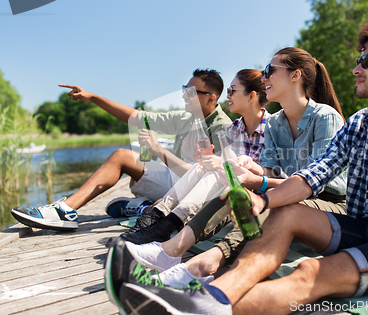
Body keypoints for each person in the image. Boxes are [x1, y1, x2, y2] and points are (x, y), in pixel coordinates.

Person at [110, 19, 368, 315]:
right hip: (365, 225)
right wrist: (264, 200)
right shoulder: (361, 125)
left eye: (367, 60)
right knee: (284, 214)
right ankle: (211, 292)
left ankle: (202, 305)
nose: (356, 68)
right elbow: (312, 177)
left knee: (309, 275)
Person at [107, 46, 348, 298]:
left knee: (273, 203)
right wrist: (250, 166)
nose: (264, 77)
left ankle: (201, 262)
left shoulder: (325, 117)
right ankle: (170, 251)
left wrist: (262, 181)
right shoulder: (277, 122)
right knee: (237, 189)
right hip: (289, 193)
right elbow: (271, 168)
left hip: (327, 202)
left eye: (270, 71)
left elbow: (328, 185)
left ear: (295, 76)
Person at [11, 69, 232, 231]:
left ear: (211, 98)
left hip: (193, 193)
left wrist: (160, 151)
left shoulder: (222, 127)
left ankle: (143, 206)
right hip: (172, 180)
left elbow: (208, 182)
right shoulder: (184, 117)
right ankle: (65, 210)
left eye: (191, 92)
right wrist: (94, 98)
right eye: (185, 89)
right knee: (121, 156)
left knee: (158, 212)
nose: (184, 95)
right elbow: (137, 118)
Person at [117, 69, 270, 245]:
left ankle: (165, 223)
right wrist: (209, 158)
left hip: (255, 194)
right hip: (230, 188)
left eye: (232, 91)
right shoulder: (234, 128)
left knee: (215, 170)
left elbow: (272, 171)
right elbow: (230, 164)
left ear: (251, 96)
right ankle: (158, 215)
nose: (227, 96)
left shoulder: (273, 127)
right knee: (204, 166)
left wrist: (220, 162)